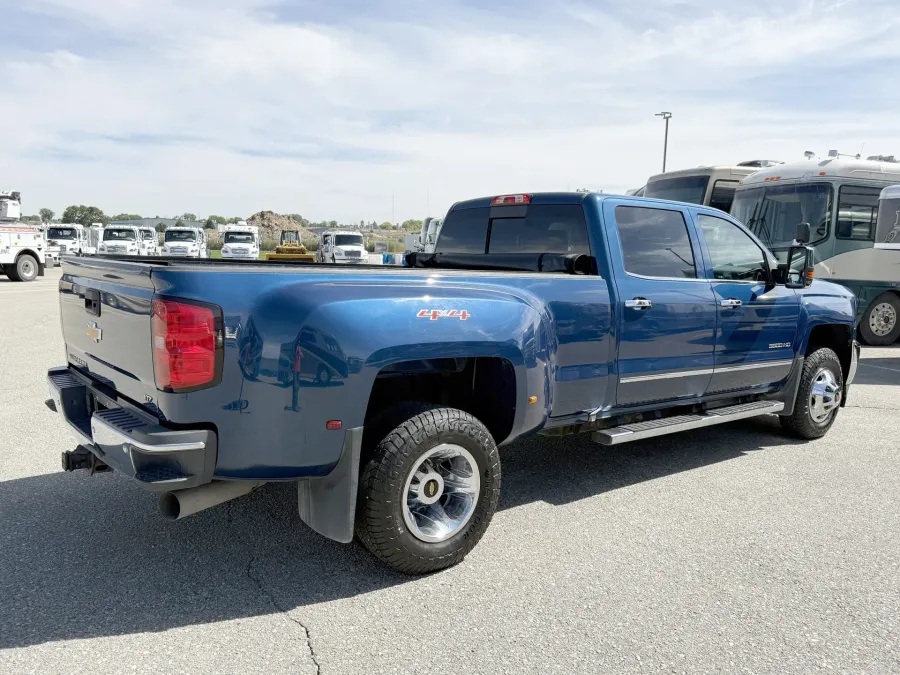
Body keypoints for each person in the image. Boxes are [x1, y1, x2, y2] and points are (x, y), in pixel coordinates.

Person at [285, 343, 303, 411]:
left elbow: (302, 356)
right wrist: (296, 353)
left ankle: (296, 404)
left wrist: (299, 352)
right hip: (295, 369)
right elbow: (292, 357)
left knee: (297, 387)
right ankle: (294, 406)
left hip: (298, 369)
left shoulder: (298, 347)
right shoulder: (293, 347)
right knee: (295, 387)